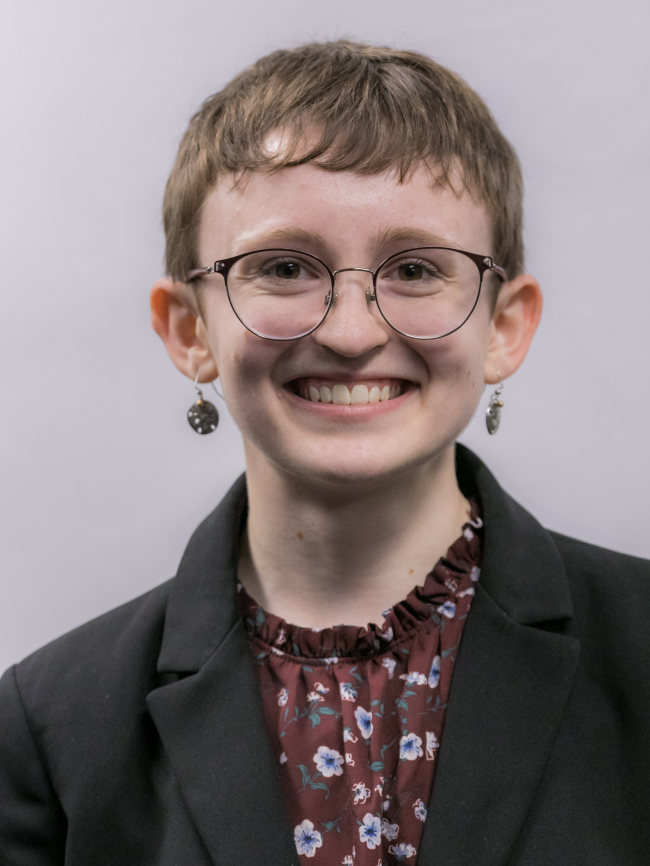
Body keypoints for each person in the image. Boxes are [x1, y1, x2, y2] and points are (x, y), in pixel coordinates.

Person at [1, 40, 648, 866]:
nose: (350, 332)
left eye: (415, 268)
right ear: (190, 329)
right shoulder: (50, 727)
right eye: (282, 268)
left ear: (505, 327)